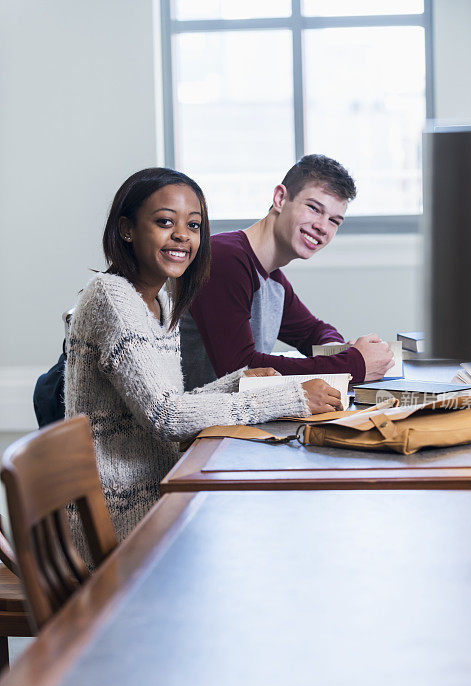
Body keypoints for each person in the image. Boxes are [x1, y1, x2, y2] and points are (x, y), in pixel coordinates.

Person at [65, 168, 342, 552]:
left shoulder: (161, 299)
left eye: (194, 225)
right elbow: (166, 417)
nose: (182, 235)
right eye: (165, 222)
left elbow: (169, 401)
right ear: (126, 229)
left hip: (162, 494)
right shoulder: (112, 298)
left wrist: (238, 379)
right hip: (123, 520)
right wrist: (288, 396)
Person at [180, 154, 394, 391]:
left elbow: (313, 332)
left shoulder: (272, 277)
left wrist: (341, 350)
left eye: (334, 220)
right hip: (200, 423)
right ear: (281, 198)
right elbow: (241, 369)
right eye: (314, 208)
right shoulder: (225, 259)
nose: (322, 227)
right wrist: (353, 364)